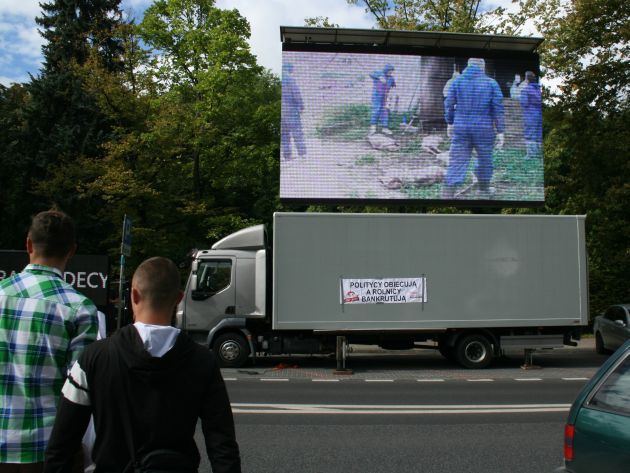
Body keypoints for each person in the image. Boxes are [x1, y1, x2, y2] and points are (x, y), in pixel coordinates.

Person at [44, 257, 241, 473]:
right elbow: (222, 447)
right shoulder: (204, 362)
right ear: (179, 298)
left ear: (134, 295)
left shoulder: (94, 358)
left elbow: (61, 444)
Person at [0, 210, 98, 473]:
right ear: (72, 251)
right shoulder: (80, 309)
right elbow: (79, 391)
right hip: (49, 447)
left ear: (29, 244)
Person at [443, 58, 505, 199]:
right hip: (483, 128)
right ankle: (484, 189)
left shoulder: (457, 82)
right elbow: (498, 109)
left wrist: (450, 123)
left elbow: (449, 104)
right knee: (485, 159)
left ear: (468, 66)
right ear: (482, 67)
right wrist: (501, 131)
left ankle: (447, 196)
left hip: (461, 127)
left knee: (457, 160)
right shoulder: (491, 83)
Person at [281, 63, 306, 160]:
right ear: (289, 69)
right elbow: (296, 93)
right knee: (297, 131)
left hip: (281, 111)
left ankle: (287, 155)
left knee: (284, 134)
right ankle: (302, 153)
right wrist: (301, 105)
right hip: (290, 109)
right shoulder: (289, 78)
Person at [520, 71, 543, 159]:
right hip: (539, 114)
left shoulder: (525, 89)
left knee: (530, 133)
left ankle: (530, 155)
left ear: (526, 79)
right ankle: (538, 153)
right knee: (538, 133)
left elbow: (524, 103)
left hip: (530, 115)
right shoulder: (539, 89)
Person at [369, 64, 396, 135]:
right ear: (386, 70)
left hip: (386, 97)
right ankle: (373, 128)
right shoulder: (379, 73)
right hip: (377, 96)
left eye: (392, 71)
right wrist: (379, 77)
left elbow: (393, 87)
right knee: (376, 110)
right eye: (390, 71)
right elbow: (371, 74)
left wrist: (391, 96)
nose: (391, 73)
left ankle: (385, 128)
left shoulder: (391, 78)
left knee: (385, 111)